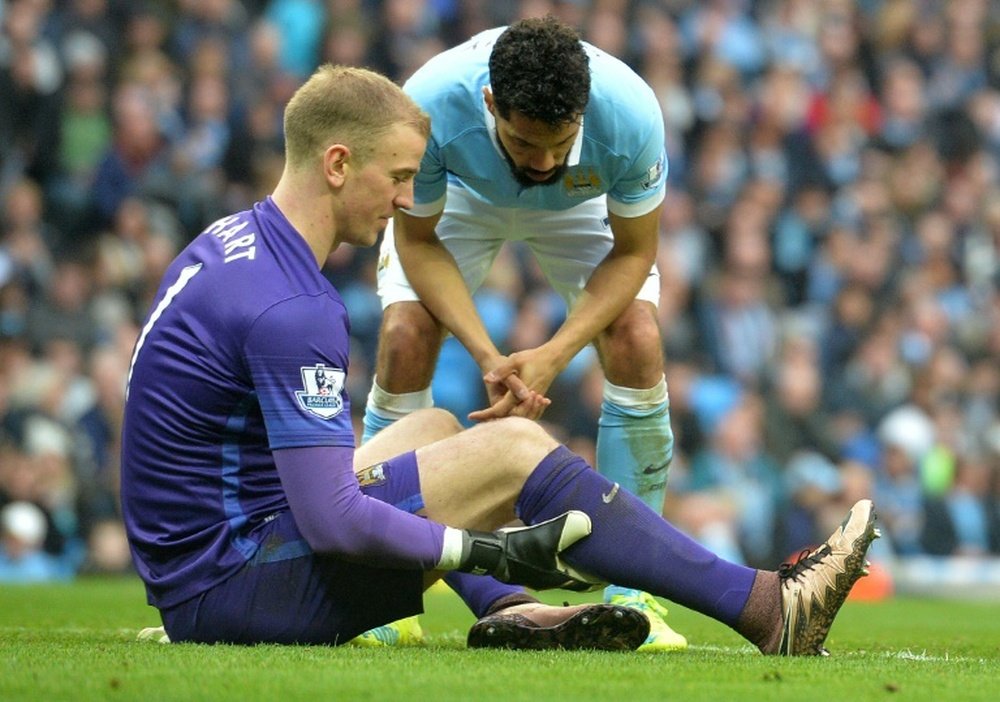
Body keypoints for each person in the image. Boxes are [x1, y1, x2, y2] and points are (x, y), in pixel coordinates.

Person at [120, 64, 880, 655]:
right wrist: (492, 547)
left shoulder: (233, 240)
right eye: (397, 176)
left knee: (439, 428)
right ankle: (767, 607)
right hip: (237, 587)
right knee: (514, 448)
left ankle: (510, 610)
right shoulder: (293, 307)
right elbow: (331, 521)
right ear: (339, 163)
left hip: (210, 567)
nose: (406, 199)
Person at [361, 15, 684, 651]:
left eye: (560, 142)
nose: (542, 162)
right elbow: (418, 241)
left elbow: (634, 253)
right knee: (405, 335)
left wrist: (554, 354)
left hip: (581, 207)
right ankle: (377, 589)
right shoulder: (428, 105)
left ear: (583, 112)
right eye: (524, 141)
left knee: (638, 337)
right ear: (489, 104)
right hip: (463, 196)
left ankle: (633, 596)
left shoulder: (632, 112)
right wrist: (488, 353)